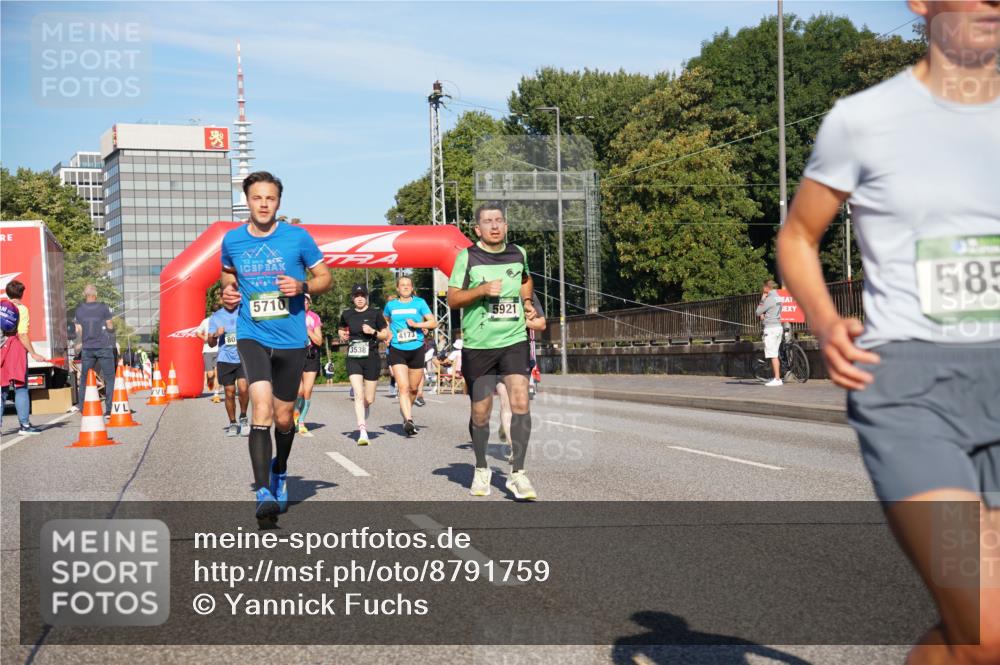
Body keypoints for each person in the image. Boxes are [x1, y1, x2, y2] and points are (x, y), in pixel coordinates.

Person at [776, 3, 1000, 663]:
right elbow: (797, 235)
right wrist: (824, 320)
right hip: (915, 396)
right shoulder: (865, 121)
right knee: (985, 629)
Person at [220, 171, 331, 522]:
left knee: (284, 419)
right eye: (257, 198)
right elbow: (227, 277)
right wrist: (227, 293)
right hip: (252, 334)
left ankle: (279, 469)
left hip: (291, 340)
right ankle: (263, 492)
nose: (264, 204)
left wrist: (302, 286)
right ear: (247, 201)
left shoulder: (297, 237)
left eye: (270, 198)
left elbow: (326, 278)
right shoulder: (232, 240)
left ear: (279, 202)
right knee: (262, 409)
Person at [447, 203, 540, 499]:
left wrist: (528, 303)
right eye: (488, 221)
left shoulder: (518, 253)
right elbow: (453, 299)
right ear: (478, 229)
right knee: (481, 413)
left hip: (513, 339)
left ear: (506, 226)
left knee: (520, 401)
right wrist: (481, 290)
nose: (495, 226)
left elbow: (525, 279)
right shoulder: (467, 257)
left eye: (499, 220)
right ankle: (481, 467)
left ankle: (518, 473)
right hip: (480, 344)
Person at [383, 276, 436, 436]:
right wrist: (388, 333)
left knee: (413, 389)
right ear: (397, 288)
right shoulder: (391, 305)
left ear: (412, 288)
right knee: (403, 387)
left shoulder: (420, 303)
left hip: (416, 348)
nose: (405, 287)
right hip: (397, 348)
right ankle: (408, 419)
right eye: (402, 285)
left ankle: (406, 411)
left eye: (408, 285)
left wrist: (418, 325)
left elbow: (433, 322)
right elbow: (385, 320)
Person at [338, 283, 390, 445]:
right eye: (357, 296)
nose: (359, 298)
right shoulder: (347, 314)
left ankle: (364, 409)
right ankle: (362, 431)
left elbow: (385, 334)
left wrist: (373, 331)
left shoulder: (375, 313)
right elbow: (341, 328)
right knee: (358, 394)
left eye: (362, 296)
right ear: (353, 298)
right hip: (353, 357)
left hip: (371, 357)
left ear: (366, 297)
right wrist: (342, 334)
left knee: (369, 398)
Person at [496, 294, 546, 448]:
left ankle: (506, 425)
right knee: (505, 402)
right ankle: (513, 448)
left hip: (519, 355)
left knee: (517, 402)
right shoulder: (490, 291)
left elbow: (542, 324)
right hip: (495, 354)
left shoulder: (527, 295)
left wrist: (520, 321)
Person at [1, 286, 42, 434]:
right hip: (16, 348)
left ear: (8, 293)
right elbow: (22, 334)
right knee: (21, 387)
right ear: (22, 294)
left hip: (2, 348)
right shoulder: (22, 309)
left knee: (2, 389)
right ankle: (24, 425)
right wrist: (33, 353)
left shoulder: (2, 306)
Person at [207, 297, 249, 437]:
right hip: (225, 359)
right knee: (229, 392)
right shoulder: (216, 317)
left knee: (243, 388)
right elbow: (211, 343)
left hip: (243, 356)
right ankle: (233, 423)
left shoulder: (244, 312)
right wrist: (215, 334)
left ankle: (243, 417)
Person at [73, 284, 116, 416]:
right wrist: (111, 331)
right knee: (109, 378)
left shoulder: (79, 310)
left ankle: (83, 408)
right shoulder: (103, 307)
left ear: (84, 295)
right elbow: (110, 324)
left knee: (84, 378)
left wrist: (80, 343)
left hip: (87, 348)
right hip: (104, 346)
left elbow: (78, 330)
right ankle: (109, 410)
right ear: (95, 295)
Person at [294, 294, 323, 437]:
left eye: (306, 301)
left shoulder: (314, 317)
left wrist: (308, 331)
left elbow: (319, 341)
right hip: (295, 354)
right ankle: (295, 413)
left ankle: (301, 421)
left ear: (309, 303)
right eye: (301, 300)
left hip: (311, 355)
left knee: (307, 390)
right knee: (298, 391)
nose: (304, 303)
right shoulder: (292, 316)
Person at [755, 280, 784, 387]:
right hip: (778, 326)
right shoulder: (778, 297)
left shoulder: (769, 298)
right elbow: (773, 310)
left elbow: (758, 312)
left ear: (767, 287)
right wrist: (766, 315)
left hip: (771, 329)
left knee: (773, 354)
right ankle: (777, 377)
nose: (763, 289)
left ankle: (777, 379)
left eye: (764, 287)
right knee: (775, 353)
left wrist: (762, 299)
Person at [196, 303, 222, 402]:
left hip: (219, 350)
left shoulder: (223, 321)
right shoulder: (205, 321)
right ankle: (209, 379)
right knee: (211, 374)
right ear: (212, 313)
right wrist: (205, 338)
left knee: (217, 373)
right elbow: (198, 332)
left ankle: (216, 395)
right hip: (207, 350)